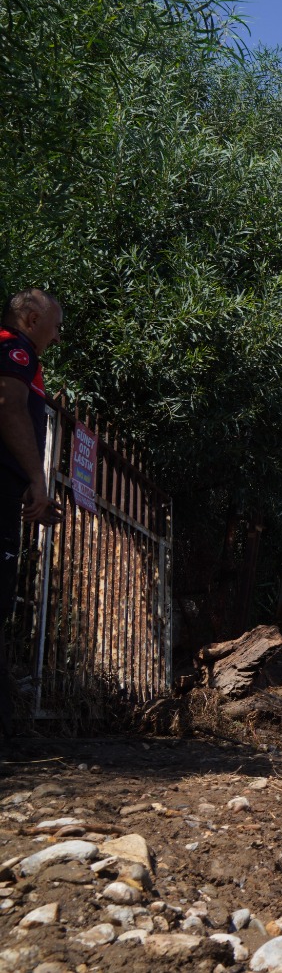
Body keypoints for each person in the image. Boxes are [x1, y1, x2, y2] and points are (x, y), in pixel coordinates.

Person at [0, 290, 64, 737]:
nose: (57, 337)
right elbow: (9, 409)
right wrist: (37, 482)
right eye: (55, 326)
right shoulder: (14, 349)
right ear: (30, 317)